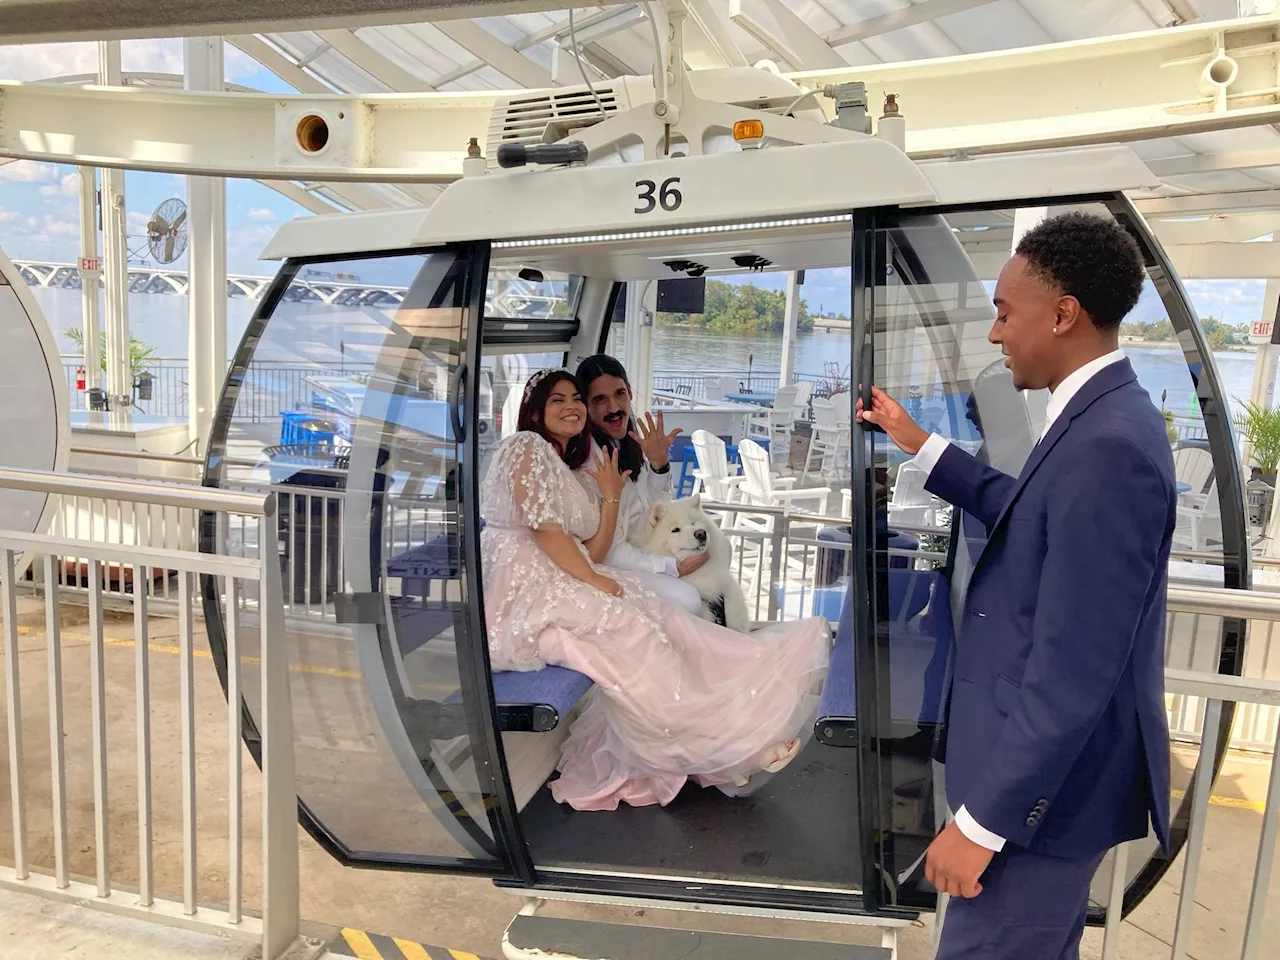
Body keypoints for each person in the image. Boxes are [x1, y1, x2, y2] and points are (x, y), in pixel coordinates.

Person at [859, 212, 1175, 959]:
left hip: (1039, 813)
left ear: (1063, 315)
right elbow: (1033, 517)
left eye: (1005, 313)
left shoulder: (1107, 447)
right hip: (1040, 802)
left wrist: (980, 825)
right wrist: (925, 446)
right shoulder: (1099, 419)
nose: (996, 335)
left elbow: (1074, 668)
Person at [480, 368, 830, 811]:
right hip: (525, 592)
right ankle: (712, 747)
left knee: (659, 617)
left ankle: (726, 731)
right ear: (534, 411)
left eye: (575, 399)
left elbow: (605, 537)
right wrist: (594, 579)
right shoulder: (527, 446)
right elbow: (549, 533)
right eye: (559, 400)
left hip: (558, 576)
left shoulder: (574, 462)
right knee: (639, 631)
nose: (572, 407)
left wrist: (611, 493)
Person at [573, 354, 705, 617]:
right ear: (586, 407)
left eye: (619, 394)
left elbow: (655, 510)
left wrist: (659, 464)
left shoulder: (631, 443)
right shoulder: (592, 464)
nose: (613, 407)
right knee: (689, 599)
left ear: (630, 392)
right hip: (615, 566)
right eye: (600, 400)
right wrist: (671, 565)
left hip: (646, 550)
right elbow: (610, 551)